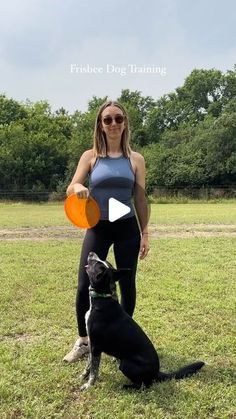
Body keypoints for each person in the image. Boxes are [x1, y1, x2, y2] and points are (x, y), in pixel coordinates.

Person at [63, 100, 150, 363]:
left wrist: (145, 233)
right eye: (107, 119)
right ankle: (84, 341)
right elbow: (72, 185)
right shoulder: (90, 156)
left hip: (126, 228)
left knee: (127, 285)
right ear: (100, 125)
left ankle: (121, 339)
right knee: (83, 286)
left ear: (125, 124)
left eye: (118, 119)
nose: (113, 124)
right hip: (97, 227)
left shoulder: (136, 160)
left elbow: (141, 199)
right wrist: (77, 188)